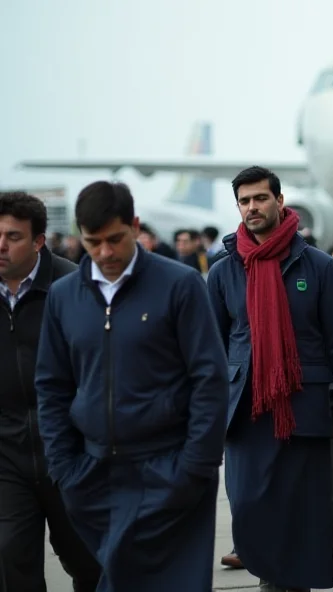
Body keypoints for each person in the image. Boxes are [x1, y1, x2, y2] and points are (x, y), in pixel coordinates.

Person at [35, 181, 229, 592]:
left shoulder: (180, 285)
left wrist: (195, 466)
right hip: (92, 476)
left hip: (171, 470)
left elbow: (209, 380)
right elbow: (52, 386)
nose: (105, 253)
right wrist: (65, 469)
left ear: (135, 226)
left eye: (115, 239)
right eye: (92, 242)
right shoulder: (64, 296)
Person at [206, 166, 333, 592]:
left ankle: (278, 587)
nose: (253, 207)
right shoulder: (223, 272)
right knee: (249, 510)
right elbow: (209, 353)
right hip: (246, 414)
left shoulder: (316, 266)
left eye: (260, 198)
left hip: (304, 413)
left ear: (280, 201)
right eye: (244, 201)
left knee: (301, 521)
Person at [0, 192, 100, 592]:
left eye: (13, 236)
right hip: (6, 454)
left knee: (90, 560)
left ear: (39, 240)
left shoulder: (73, 285)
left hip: (70, 450)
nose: (1, 246)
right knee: (10, 555)